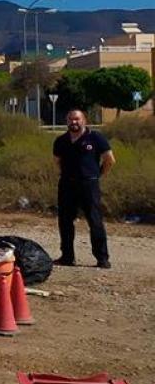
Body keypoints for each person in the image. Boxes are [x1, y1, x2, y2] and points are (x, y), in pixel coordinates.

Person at [53, 109, 116, 268]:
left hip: (89, 184)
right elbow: (57, 161)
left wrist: (98, 174)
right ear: (67, 121)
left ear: (84, 121)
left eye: (77, 119)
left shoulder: (95, 138)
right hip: (67, 184)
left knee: (95, 221)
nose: (74, 122)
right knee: (65, 221)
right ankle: (67, 257)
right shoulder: (61, 140)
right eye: (70, 119)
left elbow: (109, 160)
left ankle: (102, 258)